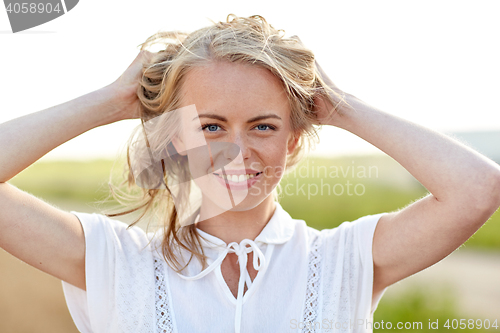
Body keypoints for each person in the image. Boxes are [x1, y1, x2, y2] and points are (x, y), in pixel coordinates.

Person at [0, 14, 499, 333]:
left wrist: (342, 107)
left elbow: (477, 189)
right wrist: (109, 102)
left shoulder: (343, 259)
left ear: (295, 140)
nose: (236, 151)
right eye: (211, 125)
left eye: (263, 125)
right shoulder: (113, 260)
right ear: (177, 137)